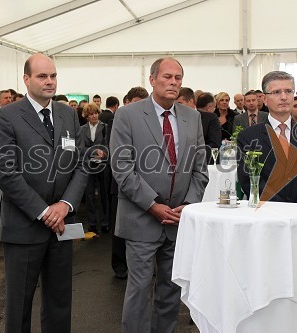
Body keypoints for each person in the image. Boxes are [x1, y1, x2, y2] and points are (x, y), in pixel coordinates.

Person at [110, 57, 208, 333]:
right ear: (152, 80)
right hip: (141, 218)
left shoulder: (192, 117)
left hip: (179, 220)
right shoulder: (127, 115)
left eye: (178, 77)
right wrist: (152, 205)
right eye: (167, 76)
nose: (173, 82)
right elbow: (122, 167)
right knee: (139, 290)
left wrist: (188, 205)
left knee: (171, 289)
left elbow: (200, 168)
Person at [0, 53, 87, 333]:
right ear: (26, 79)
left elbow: (80, 164)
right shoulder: (7, 115)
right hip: (24, 226)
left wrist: (65, 205)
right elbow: (6, 173)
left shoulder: (68, 113)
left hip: (62, 226)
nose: (49, 82)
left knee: (60, 303)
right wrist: (46, 211)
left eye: (53, 76)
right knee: (19, 305)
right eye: (42, 76)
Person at [237, 71, 297, 205]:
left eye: (288, 91)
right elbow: (249, 179)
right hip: (267, 213)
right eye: (277, 92)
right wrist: (279, 207)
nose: (284, 97)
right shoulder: (248, 137)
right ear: (265, 100)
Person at [108, 86, 149, 280]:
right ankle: (119, 264)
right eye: (136, 103)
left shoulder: (149, 122)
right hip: (121, 182)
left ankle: (145, 263)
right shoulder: (118, 121)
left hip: (144, 183)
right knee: (121, 227)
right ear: (127, 103)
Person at [80, 103, 109, 234]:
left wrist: (104, 152)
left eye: (96, 113)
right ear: (87, 115)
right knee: (89, 195)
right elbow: (80, 148)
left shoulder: (106, 128)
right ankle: (92, 223)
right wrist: (94, 151)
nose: (94, 116)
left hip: (102, 166)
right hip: (88, 166)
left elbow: (109, 145)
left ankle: (104, 223)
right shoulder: (81, 129)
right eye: (91, 113)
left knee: (103, 195)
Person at [177, 88, 221, 164]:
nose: (176, 106)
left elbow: (214, 145)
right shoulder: (173, 119)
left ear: (190, 101)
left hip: (204, 165)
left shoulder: (209, 118)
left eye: (180, 103)